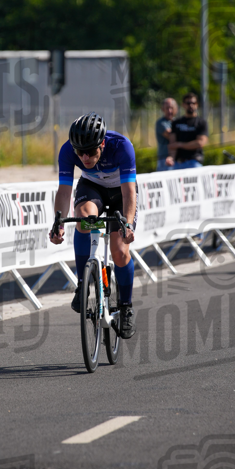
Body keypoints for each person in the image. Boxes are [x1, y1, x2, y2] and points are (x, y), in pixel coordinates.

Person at [49, 113, 137, 339]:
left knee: (119, 251)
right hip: (92, 187)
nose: (85, 157)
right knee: (84, 219)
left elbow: (129, 193)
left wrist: (127, 224)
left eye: (91, 151)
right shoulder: (68, 150)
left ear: (103, 144)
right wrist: (59, 221)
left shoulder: (122, 146)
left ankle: (126, 306)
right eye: (80, 152)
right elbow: (64, 191)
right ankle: (82, 284)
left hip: (120, 192)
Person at [166, 92, 209, 169]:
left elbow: (200, 143)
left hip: (194, 162)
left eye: (193, 103)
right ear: (183, 105)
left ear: (197, 104)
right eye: (188, 103)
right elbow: (173, 144)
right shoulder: (176, 123)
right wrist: (171, 158)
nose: (191, 105)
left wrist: (180, 144)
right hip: (178, 163)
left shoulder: (201, 122)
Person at [155, 97, 178, 171]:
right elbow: (171, 136)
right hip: (165, 160)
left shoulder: (177, 122)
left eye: (171, 108)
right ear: (163, 109)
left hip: (177, 158)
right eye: (167, 108)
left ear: (176, 109)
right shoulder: (161, 123)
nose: (169, 111)